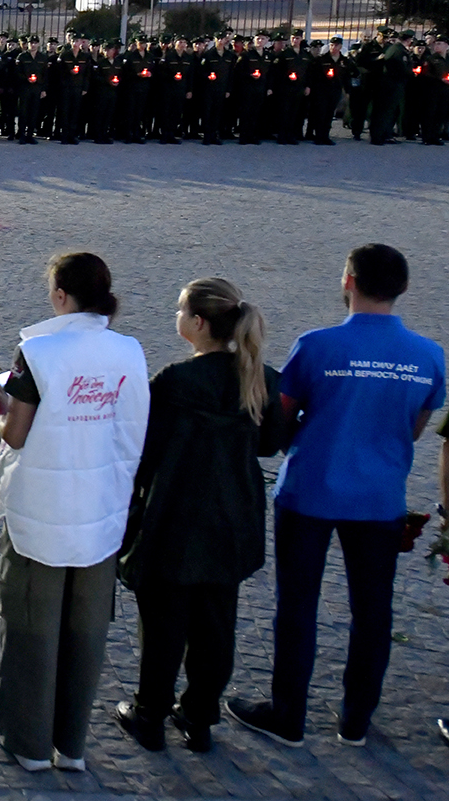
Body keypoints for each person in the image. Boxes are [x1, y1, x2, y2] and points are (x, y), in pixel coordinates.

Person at [228, 244, 446, 748]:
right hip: (379, 497)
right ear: (404, 289)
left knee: (297, 605)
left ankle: (288, 715)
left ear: (348, 281)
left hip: (310, 491)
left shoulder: (317, 345)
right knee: (373, 610)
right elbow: (414, 430)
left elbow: (282, 417)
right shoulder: (428, 355)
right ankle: (355, 720)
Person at [0, 252, 149, 773]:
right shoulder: (129, 352)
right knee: (86, 629)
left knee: (33, 624)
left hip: (43, 508)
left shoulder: (38, 352)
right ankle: (71, 745)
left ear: (60, 296)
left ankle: (29, 742)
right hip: (102, 507)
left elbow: (16, 431)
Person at [114, 278, 289, 753]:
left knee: (164, 624)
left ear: (197, 323)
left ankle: (149, 712)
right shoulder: (262, 377)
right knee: (216, 624)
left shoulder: (175, 381)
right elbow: (272, 443)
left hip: (174, 515)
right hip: (232, 517)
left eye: (179, 310)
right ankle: (199, 715)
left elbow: (141, 448)